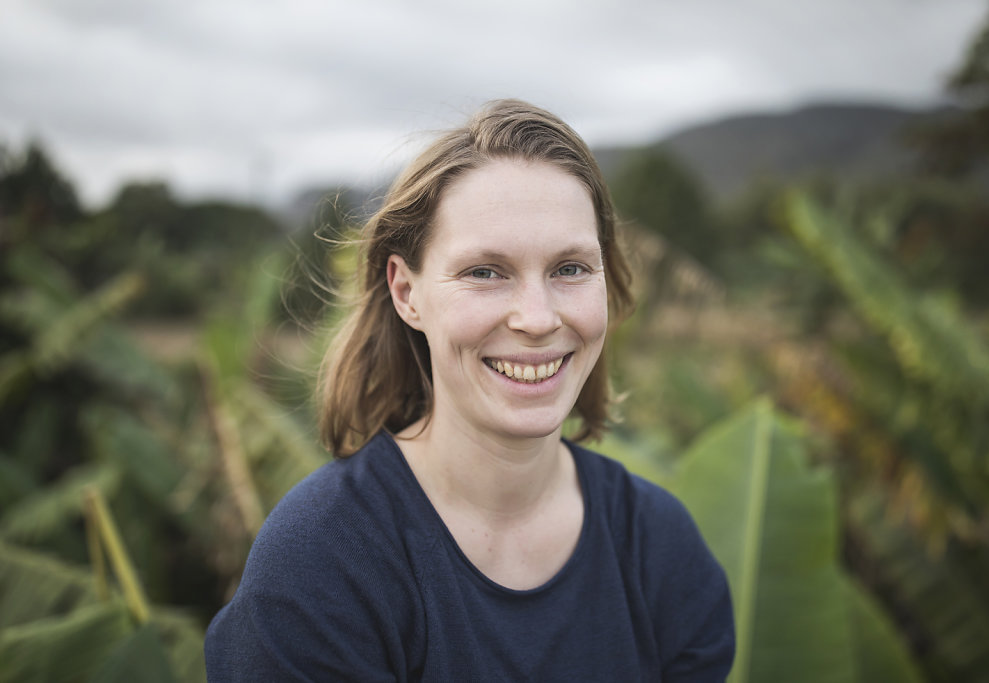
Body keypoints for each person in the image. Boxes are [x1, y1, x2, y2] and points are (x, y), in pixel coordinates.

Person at [204, 99, 734, 681]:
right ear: (407, 293)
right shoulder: (321, 563)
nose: (537, 318)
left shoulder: (661, 547)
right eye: (485, 272)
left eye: (570, 269)